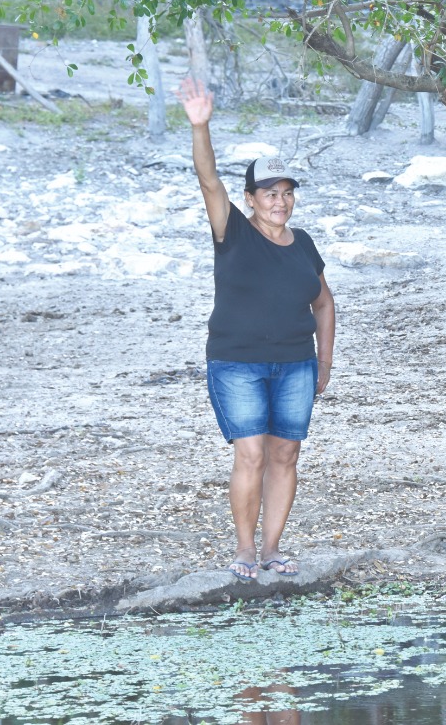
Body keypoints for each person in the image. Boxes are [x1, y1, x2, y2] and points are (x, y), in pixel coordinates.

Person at [179, 77, 336, 582]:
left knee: (284, 453)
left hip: (296, 364)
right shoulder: (233, 232)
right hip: (237, 361)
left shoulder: (305, 242)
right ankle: (244, 551)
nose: (281, 201)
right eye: (270, 193)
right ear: (251, 198)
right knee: (250, 452)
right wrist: (201, 127)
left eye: (287, 193)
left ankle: (272, 550)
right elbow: (208, 181)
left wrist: (325, 361)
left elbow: (324, 303)